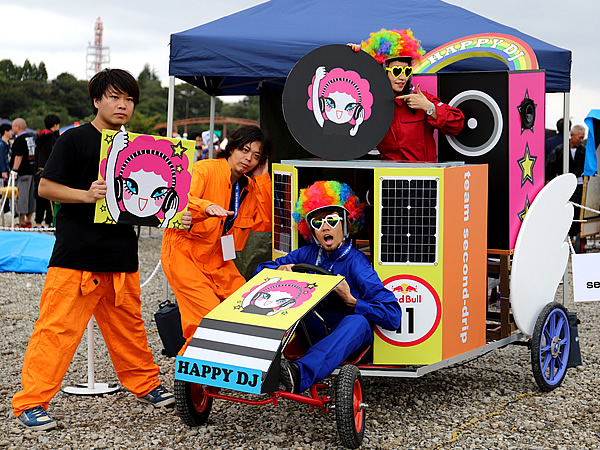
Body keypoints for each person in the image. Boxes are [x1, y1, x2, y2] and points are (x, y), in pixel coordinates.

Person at [12, 69, 174, 432]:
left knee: (130, 328)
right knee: (56, 330)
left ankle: (145, 384)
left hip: (120, 254)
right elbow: (46, 188)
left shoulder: (137, 145)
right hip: (76, 255)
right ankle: (30, 402)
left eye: (129, 99)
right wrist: (86, 195)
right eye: (115, 97)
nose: (123, 105)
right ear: (97, 100)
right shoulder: (75, 140)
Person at [253, 181, 401, 394]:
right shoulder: (305, 254)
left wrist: (352, 301)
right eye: (317, 222)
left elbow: (393, 316)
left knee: (358, 321)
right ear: (311, 229)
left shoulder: (357, 264)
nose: (325, 227)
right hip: (311, 331)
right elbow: (259, 273)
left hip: (348, 335)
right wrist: (281, 271)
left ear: (346, 223)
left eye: (332, 220)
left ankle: (299, 375)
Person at [161, 125, 272, 341]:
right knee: (206, 318)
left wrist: (263, 175)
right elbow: (179, 198)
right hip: (183, 252)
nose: (248, 158)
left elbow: (266, 220)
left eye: (256, 155)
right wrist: (205, 207)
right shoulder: (204, 169)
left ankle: (233, 364)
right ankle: (192, 372)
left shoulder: (249, 186)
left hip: (219, 258)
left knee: (250, 306)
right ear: (232, 148)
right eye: (244, 149)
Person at [349, 29, 464, 162]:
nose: (403, 77)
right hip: (389, 177)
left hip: (423, 176)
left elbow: (457, 124)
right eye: (397, 71)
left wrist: (429, 107)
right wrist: (350, 56)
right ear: (381, 71)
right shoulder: (371, 105)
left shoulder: (422, 99)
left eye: (407, 71)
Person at [546, 124, 586, 238]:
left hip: (578, 186)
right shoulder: (560, 150)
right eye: (580, 137)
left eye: (583, 138)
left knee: (576, 211)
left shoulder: (583, 151)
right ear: (572, 135)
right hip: (562, 186)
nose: (581, 140)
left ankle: (574, 235)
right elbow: (550, 166)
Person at [34, 114, 61, 227]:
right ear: (55, 125)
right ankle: (48, 223)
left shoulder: (39, 137)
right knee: (50, 197)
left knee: (39, 198)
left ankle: (38, 222)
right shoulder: (53, 138)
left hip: (38, 170)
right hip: (49, 171)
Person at [10, 118, 37, 227]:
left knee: (22, 196)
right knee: (31, 196)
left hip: (22, 172)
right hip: (32, 170)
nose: (12, 129)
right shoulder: (31, 138)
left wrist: (14, 170)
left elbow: (18, 156)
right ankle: (29, 220)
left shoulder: (20, 140)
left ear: (17, 127)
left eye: (13, 127)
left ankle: (22, 221)